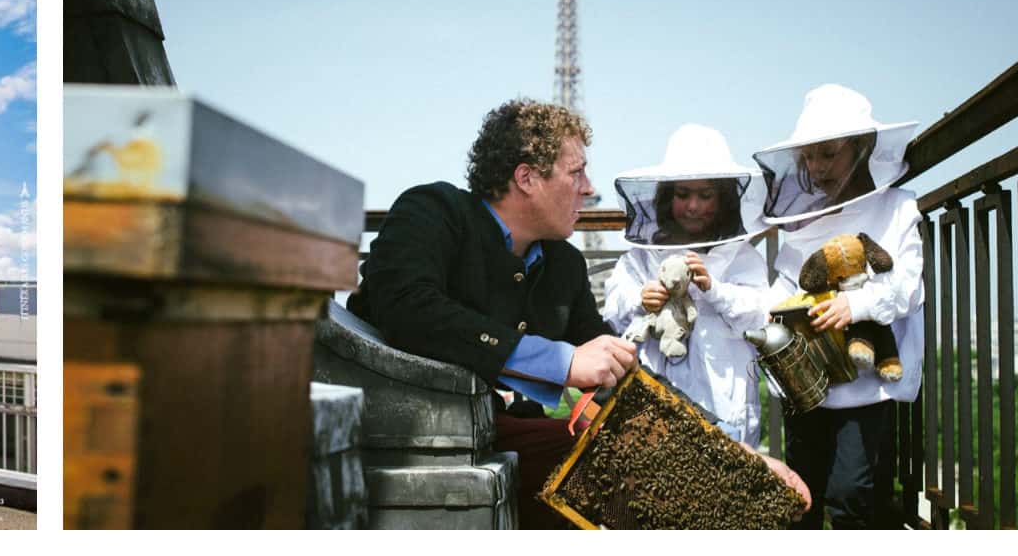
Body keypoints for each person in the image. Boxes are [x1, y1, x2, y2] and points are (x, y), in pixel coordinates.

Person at [346, 98, 635, 529]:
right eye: (576, 172)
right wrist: (560, 361)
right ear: (527, 177)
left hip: (502, 446)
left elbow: (617, 376)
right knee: (607, 462)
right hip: (404, 442)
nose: (589, 188)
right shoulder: (433, 211)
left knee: (631, 460)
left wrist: (727, 454)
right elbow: (407, 306)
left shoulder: (565, 264)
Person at [754, 84, 925, 529]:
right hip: (807, 379)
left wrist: (857, 303)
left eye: (828, 153)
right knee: (801, 493)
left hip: (867, 380)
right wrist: (776, 310)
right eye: (809, 157)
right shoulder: (803, 217)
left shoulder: (898, 207)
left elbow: (907, 285)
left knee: (852, 496)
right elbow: (786, 281)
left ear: (861, 147)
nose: (817, 167)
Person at [602, 124, 775, 447]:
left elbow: (760, 316)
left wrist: (716, 290)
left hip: (725, 399)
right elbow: (613, 306)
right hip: (654, 398)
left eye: (705, 195)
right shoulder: (642, 256)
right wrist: (640, 298)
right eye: (683, 194)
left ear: (722, 199)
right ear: (668, 198)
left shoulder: (742, 256)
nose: (693, 206)